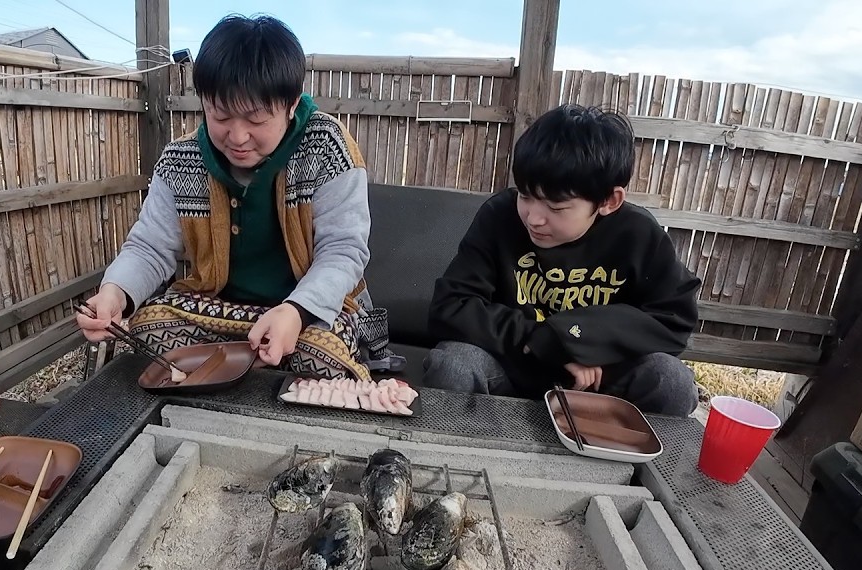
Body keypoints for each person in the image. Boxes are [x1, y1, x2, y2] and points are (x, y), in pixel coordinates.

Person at [77, 13, 374, 380]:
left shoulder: (328, 148)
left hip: (313, 312)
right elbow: (149, 248)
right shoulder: (180, 160)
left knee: (321, 356)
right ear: (204, 101)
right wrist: (114, 294)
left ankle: (250, 373)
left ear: (291, 104)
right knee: (148, 326)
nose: (237, 136)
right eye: (221, 115)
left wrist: (295, 311)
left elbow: (344, 250)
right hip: (222, 312)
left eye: (256, 120)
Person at [423, 104, 702, 417]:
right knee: (452, 364)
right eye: (526, 196)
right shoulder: (499, 217)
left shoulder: (638, 235)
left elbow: (674, 321)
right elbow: (450, 307)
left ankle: (632, 466)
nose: (534, 218)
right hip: (514, 368)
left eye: (556, 208)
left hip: (600, 382)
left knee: (673, 381)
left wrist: (581, 341)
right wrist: (543, 342)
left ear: (609, 201)